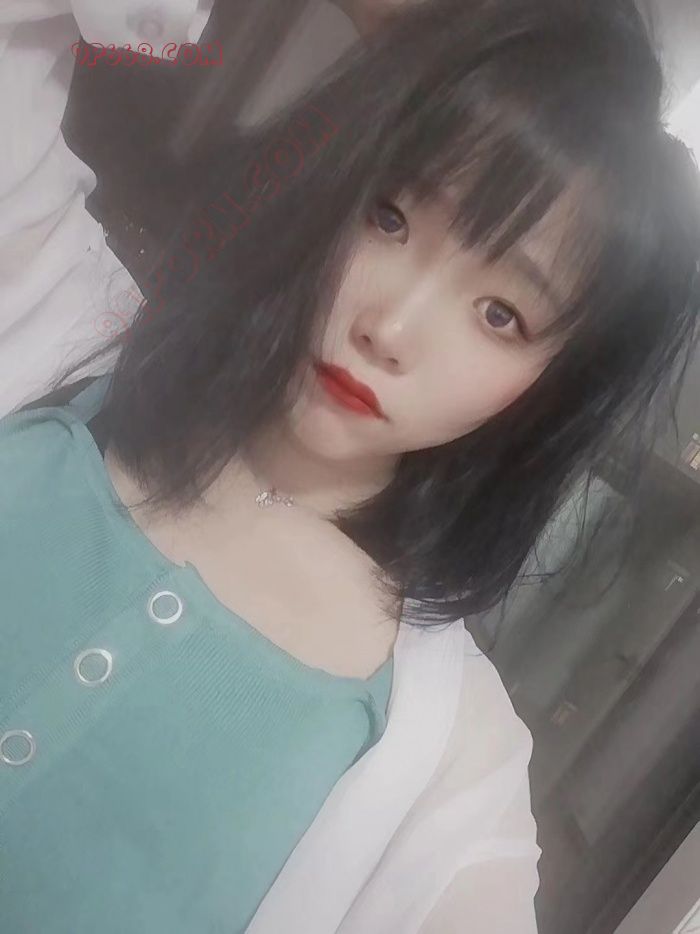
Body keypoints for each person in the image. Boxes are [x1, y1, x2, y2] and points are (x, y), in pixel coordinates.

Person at [1, 0, 699, 932]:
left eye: (501, 314)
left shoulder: (448, 767)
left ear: (551, 388)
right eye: (390, 217)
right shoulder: (52, 330)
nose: (390, 328)